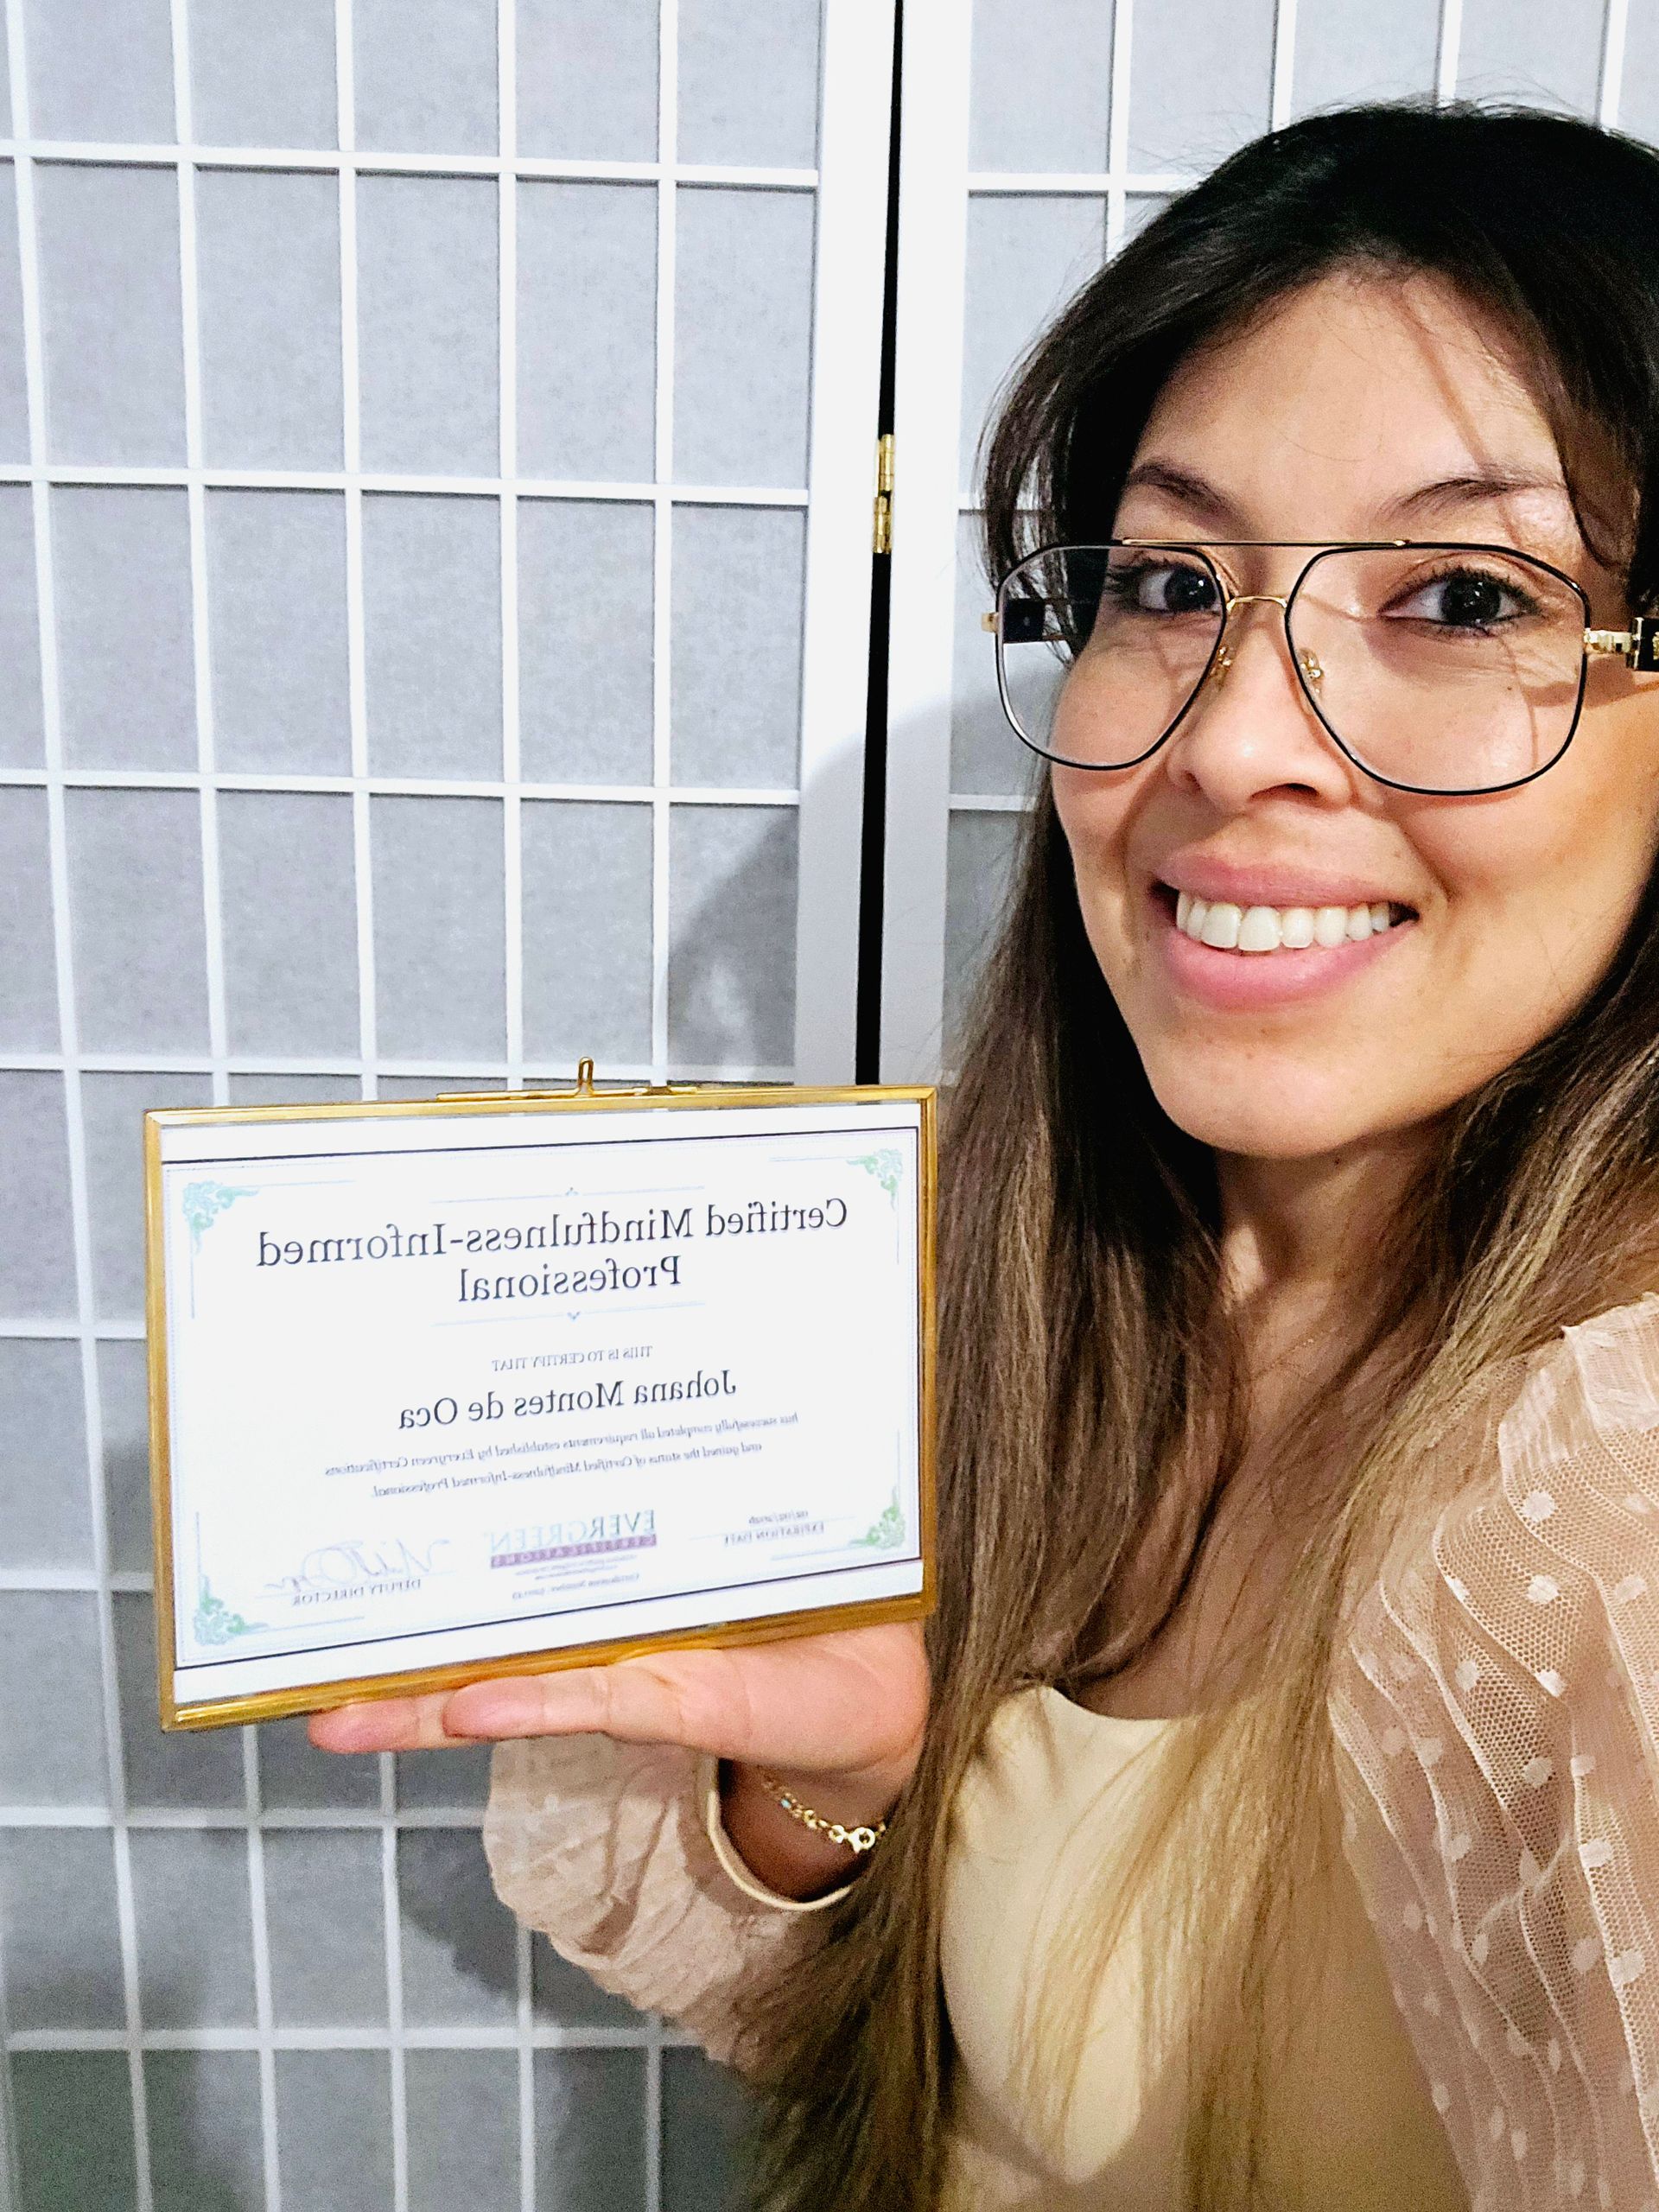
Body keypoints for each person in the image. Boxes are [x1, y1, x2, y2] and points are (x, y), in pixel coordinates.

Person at [311, 101, 1659, 2210]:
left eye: (1464, 593)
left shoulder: (1622, 1491)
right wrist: (826, 1790)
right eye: (1169, 581)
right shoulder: (1016, 1278)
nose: (1229, 735)